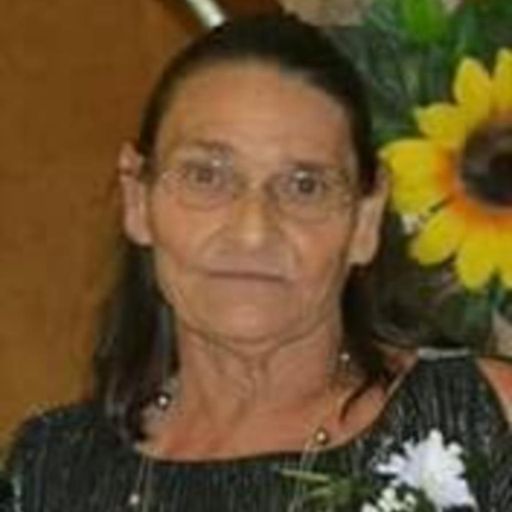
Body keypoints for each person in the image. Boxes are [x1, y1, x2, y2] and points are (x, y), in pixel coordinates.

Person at [5, 13, 512, 512]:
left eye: (304, 186)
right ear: (139, 200)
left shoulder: (480, 420)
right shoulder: (52, 467)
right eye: (206, 176)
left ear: (365, 219)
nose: (253, 232)